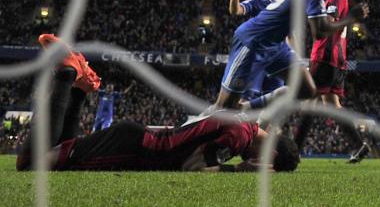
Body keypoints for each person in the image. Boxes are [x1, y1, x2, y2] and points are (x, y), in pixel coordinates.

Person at [16, 63, 298, 172]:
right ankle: (66, 77)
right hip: (133, 149)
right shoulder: (237, 139)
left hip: (137, 138)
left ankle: (78, 91)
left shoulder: (244, 123)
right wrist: (239, 170)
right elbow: (195, 170)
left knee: (66, 149)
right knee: (31, 165)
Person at [211, 0, 367, 112]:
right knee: (223, 107)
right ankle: (192, 128)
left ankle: (246, 109)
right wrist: (350, 18)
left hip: (276, 45)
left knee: (306, 89)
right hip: (253, 41)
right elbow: (319, 32)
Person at [294, 0, 371, 163]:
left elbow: (327, 23)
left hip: (325, 57)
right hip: (337, 60)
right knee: (332, 105)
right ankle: (359, 145)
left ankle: (293, 151)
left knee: (309, 103)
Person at [228, 0, 290, 103]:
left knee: (274, 102)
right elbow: (235, 10)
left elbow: (290, 35)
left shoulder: (288, 6)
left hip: (276, 57)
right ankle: (231, 123)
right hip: (256, 57)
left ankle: (261, 124)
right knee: (244, 100)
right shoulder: (258, 2)